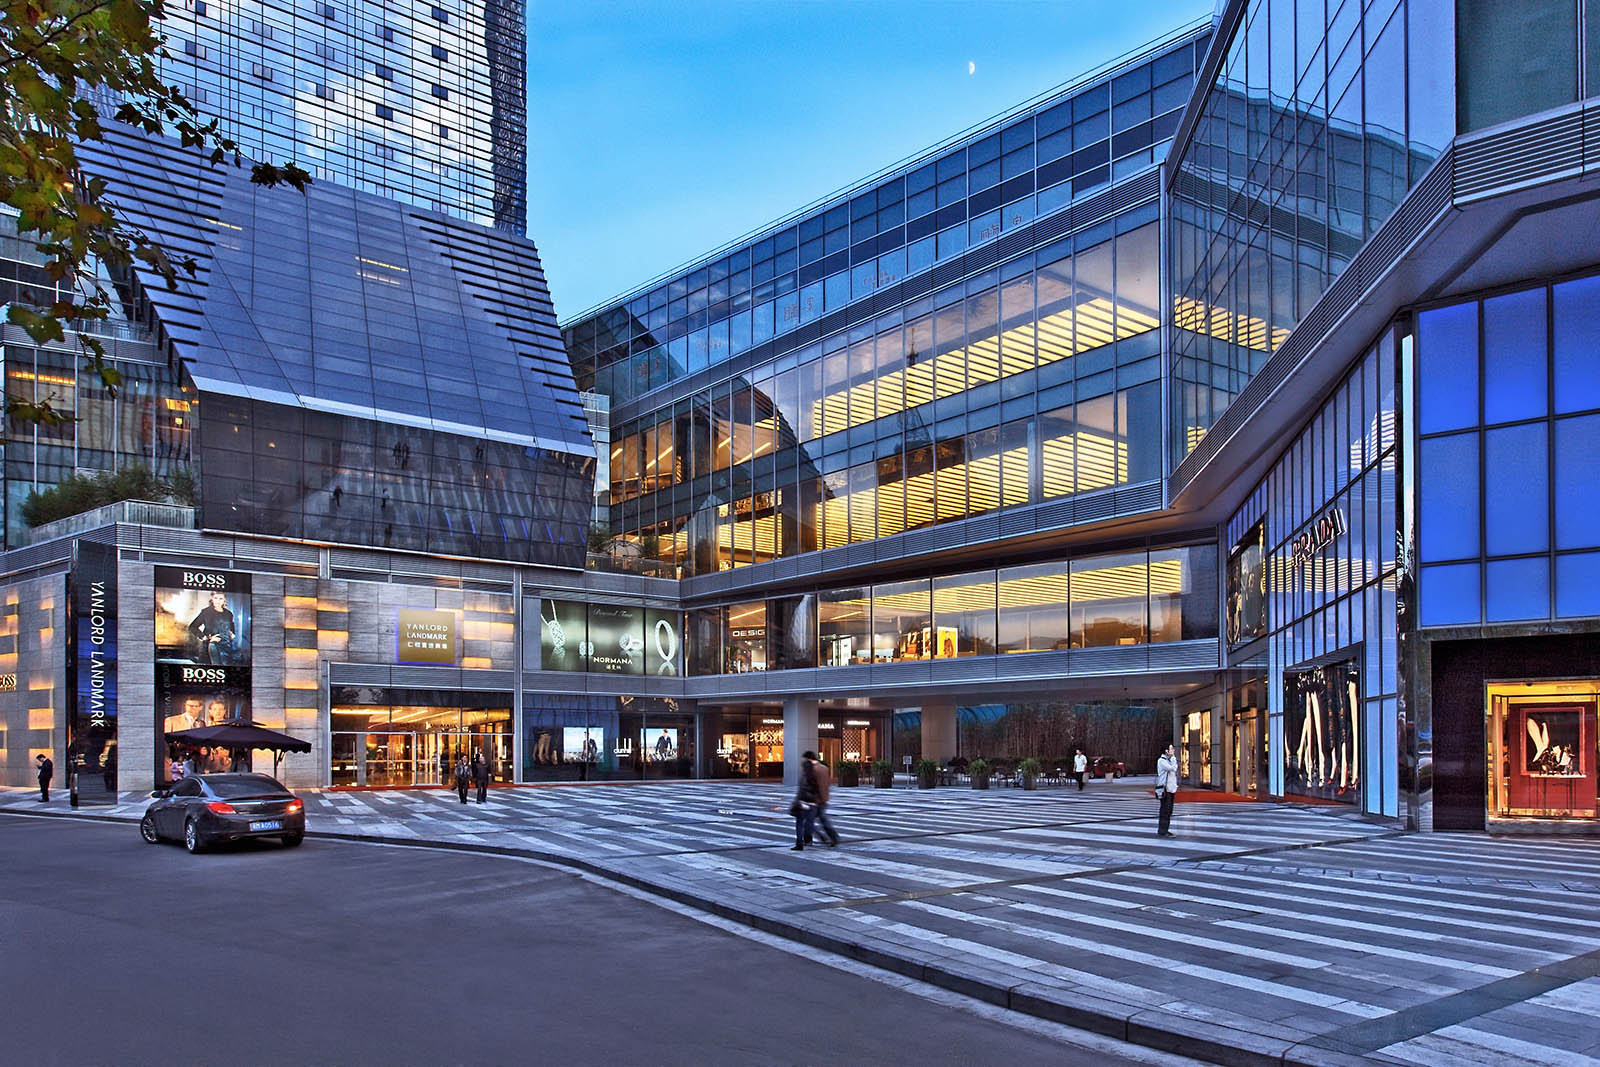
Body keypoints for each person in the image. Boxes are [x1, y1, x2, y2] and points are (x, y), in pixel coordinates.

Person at [188, 590, 238, 665]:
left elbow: (231, 626)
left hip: (225, 648)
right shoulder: (206, 612)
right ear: (212, 599)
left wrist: (232, 634)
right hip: (208, 648)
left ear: (224, 600)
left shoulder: (229, 614)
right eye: (215, 598)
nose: (218, 601)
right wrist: (205, 638)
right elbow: (192, 627)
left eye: (221, 598)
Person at [803, 753, 840, 848]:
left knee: (808, 821)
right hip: (824, 798)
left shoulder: (812, 770)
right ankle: (834, 837)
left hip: (814, 799)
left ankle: (811, 839)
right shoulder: (824, 768)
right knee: (823, 819)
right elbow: (827, 783)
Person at [790, 751, 821, 851]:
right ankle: (809, 839)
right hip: (813, 803)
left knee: (799, 822)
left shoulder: (804, 777)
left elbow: (801, 790)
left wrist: (797, 801)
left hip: (804, 802)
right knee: (809, 822)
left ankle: (800, 842)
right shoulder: (815, 775)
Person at [1155, 742, 1179, 837]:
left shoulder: (1168, 760)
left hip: (1171, 789)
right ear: (1166, 751)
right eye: (1171, 749)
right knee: (1165, 810)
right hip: (1165, 789)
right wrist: (1173, 758)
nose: (1173, 750)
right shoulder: (1162, 761)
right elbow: (1172, 768)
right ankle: (1162, 830)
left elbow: (1174, 768)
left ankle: (1165, 829)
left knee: (1169, 810)